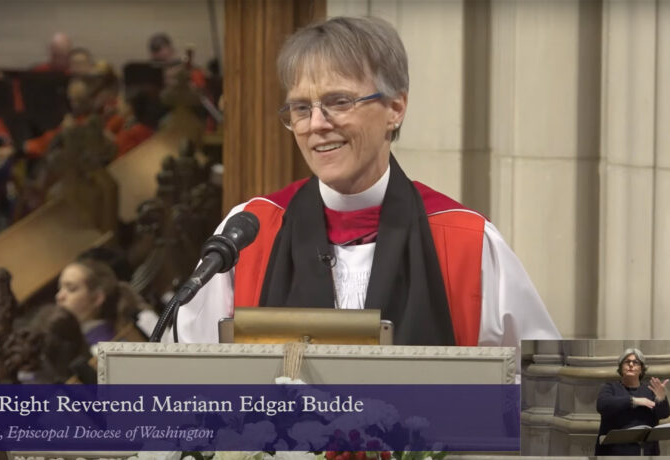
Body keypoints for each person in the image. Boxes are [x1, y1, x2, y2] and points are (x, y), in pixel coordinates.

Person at [177, 16, 560, 347]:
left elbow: (533, 389)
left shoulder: (465, 240)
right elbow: (192, 375)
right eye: (300, 108)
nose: (316, 124)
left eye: (339, 102)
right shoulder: (251, 233)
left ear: (395, 108)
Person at [595, 348, 669, 455]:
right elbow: (602, 405)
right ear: (621, 367)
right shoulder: (610, 387)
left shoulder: (650, 391)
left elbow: (663, 414)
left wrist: (661, 399)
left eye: (635, 362)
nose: (631, 364)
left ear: (641, 369)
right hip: (615, 451)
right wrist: (634, 401)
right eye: (627, 361)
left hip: (646, 451)